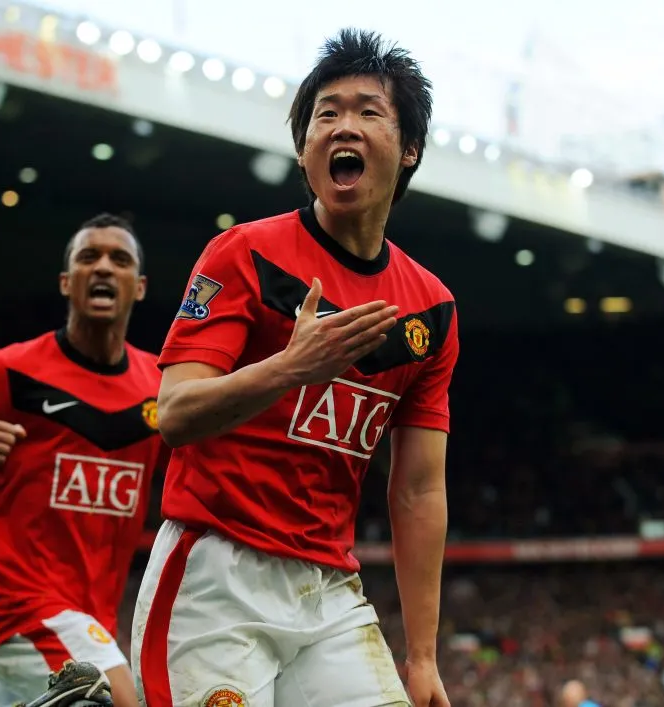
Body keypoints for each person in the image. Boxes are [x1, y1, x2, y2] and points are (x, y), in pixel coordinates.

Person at [131, 29, 457, 707]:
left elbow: (419, 491)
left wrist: (422, 657)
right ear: (305, 149)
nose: (343, 125)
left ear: (411, 150)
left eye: (369, 112)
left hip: (328, 589)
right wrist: (291, 367)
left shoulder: (432, 310)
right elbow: (176, 414)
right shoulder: (243, 253)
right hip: (213, 574)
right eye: (325, 114)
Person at [0, 213, 164, 707]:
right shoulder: (7, 372)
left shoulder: (160, 387)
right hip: (18, 605)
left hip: (92, 613)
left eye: (119, 260)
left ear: (138, 288)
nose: (102, 267)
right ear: (65, 281)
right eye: (87, 257)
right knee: (120, 700)